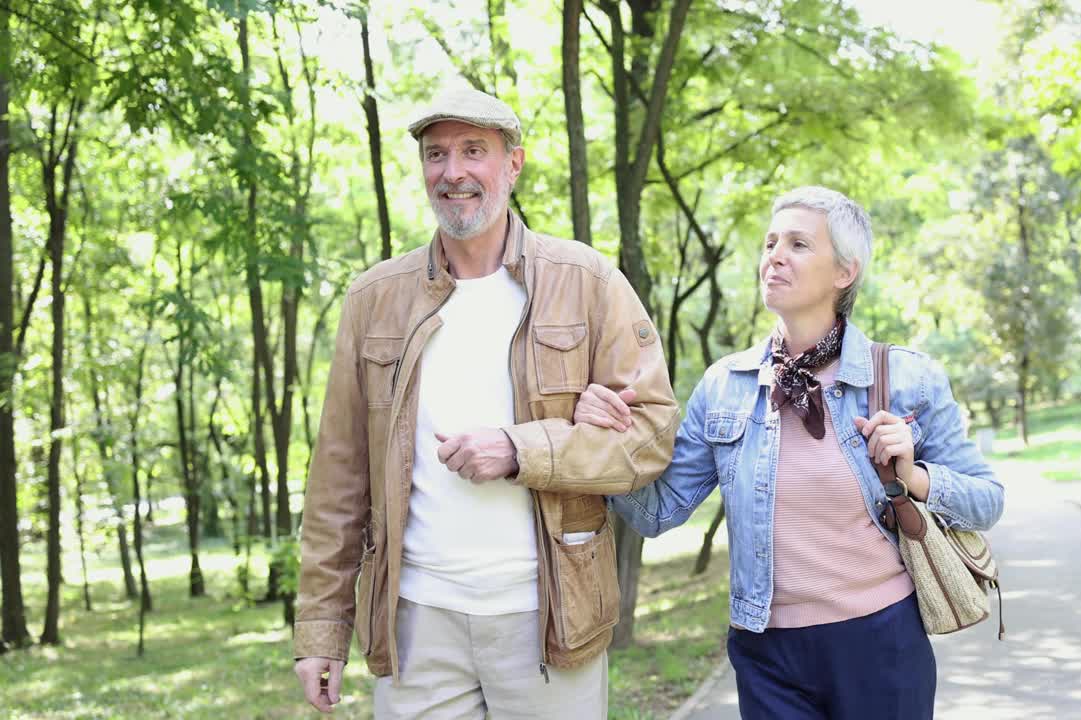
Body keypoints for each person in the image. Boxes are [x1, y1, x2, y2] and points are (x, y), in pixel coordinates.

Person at [292, 86, 678, 719]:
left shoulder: (586, 282)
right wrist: (321, 630)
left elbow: (653, 434)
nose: (454, 172)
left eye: (475, 151)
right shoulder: (374, 299)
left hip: (550, 620)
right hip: (417, 623)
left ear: (513, 164)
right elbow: (339, 476)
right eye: (437, 154)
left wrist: (522, 448)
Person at [573, 186, 1005, 719]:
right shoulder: (724, 385)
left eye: (798, 244)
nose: (774, 255)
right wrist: (599, 440)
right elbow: (658, 512)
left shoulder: (907, 377)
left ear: (844, 272)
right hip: (766, 651)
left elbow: (987, 500)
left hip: (880, 640)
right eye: (771, 242)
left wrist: (915, 476)